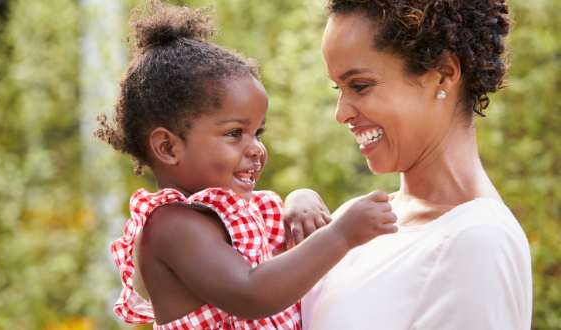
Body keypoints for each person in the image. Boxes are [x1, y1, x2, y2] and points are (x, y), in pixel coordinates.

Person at [94, 2, 397, 329]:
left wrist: (300, 200)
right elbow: (252, 292)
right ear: (168, 147)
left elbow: (284, 264)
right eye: (235, 133)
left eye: (259, 132)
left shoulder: (237, 212)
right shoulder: (172, 226)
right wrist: (342, 234)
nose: (256, 148)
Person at [299, 0, 532, 329]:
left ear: (443, 74)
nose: (341, 113)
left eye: (360, 86)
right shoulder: (355, 220)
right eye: (339, 88)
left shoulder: (478, 241)